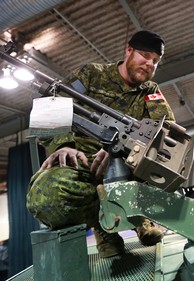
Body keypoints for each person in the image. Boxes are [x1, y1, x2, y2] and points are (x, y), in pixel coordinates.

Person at [26, 30, 176, 258]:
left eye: (156, 61)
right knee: (46, 197)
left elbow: (167, 132)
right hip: (83, 166)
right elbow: (52, 103)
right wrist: (63, 146)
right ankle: (104, 226)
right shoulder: (91, 75)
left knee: (167, 170)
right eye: (145, 55)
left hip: (130, 169)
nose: (149, 64)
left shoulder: (151, 92)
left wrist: (123, 151)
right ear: (128, 50)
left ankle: (137, 216)